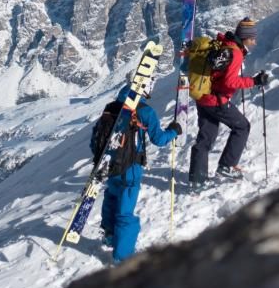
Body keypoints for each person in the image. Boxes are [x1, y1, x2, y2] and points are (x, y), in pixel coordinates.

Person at [91, 75, 181, 263]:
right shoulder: (144, 111)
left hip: (110, 165)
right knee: (125, 211)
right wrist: (174, 131)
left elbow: (96, 137)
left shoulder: (111, 106)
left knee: (112, 197)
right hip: (130, 167)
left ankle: (109, 235)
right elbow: (159, 139)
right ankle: (123, 257)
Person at [188, 17, 269, 190]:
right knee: (242, 127)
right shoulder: (236, 53)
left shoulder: (224, 45)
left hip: (203, 97)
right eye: (253, 38)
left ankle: (197, 181)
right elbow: (230, 82)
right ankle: (226, 165)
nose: (254, 41)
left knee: (206, 137)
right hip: (217, 100)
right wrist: (253, 82)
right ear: (245, 37)